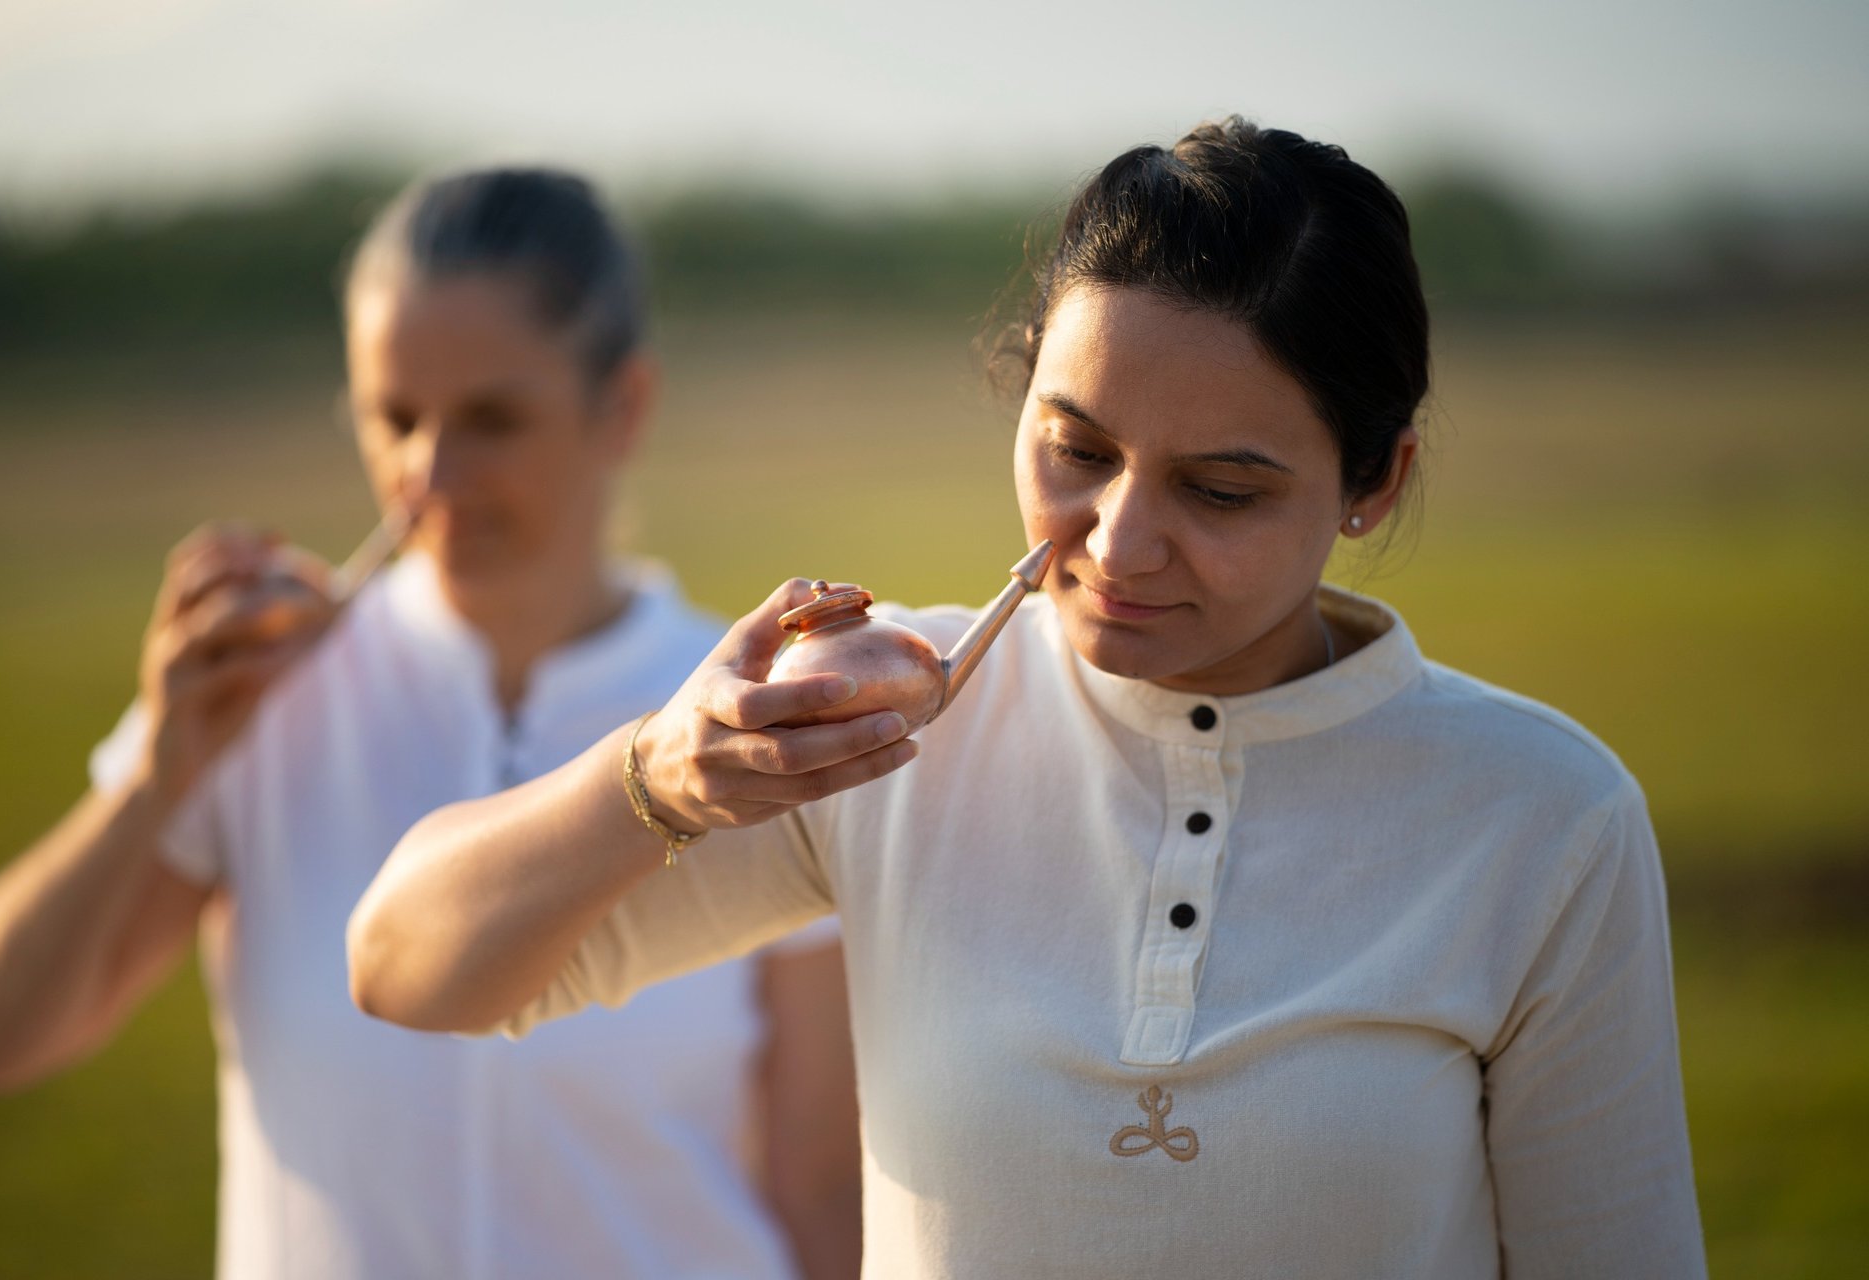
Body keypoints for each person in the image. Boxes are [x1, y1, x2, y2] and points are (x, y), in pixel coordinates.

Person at [346, 122, 1708, 1278]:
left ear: (1377, 482)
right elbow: (406, 971)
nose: (1117, 543)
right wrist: (653, 775)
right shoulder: (885, 726)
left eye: (1220, 490)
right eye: (1078, 450)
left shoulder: (1543, 817)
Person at [0, 169, 862, 1280]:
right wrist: (157, 774)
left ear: (622, 406)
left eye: (490, 418)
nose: (427, 472)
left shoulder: (739, 702)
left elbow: (817, 1177)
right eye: (394, 416)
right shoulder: (263, 690)